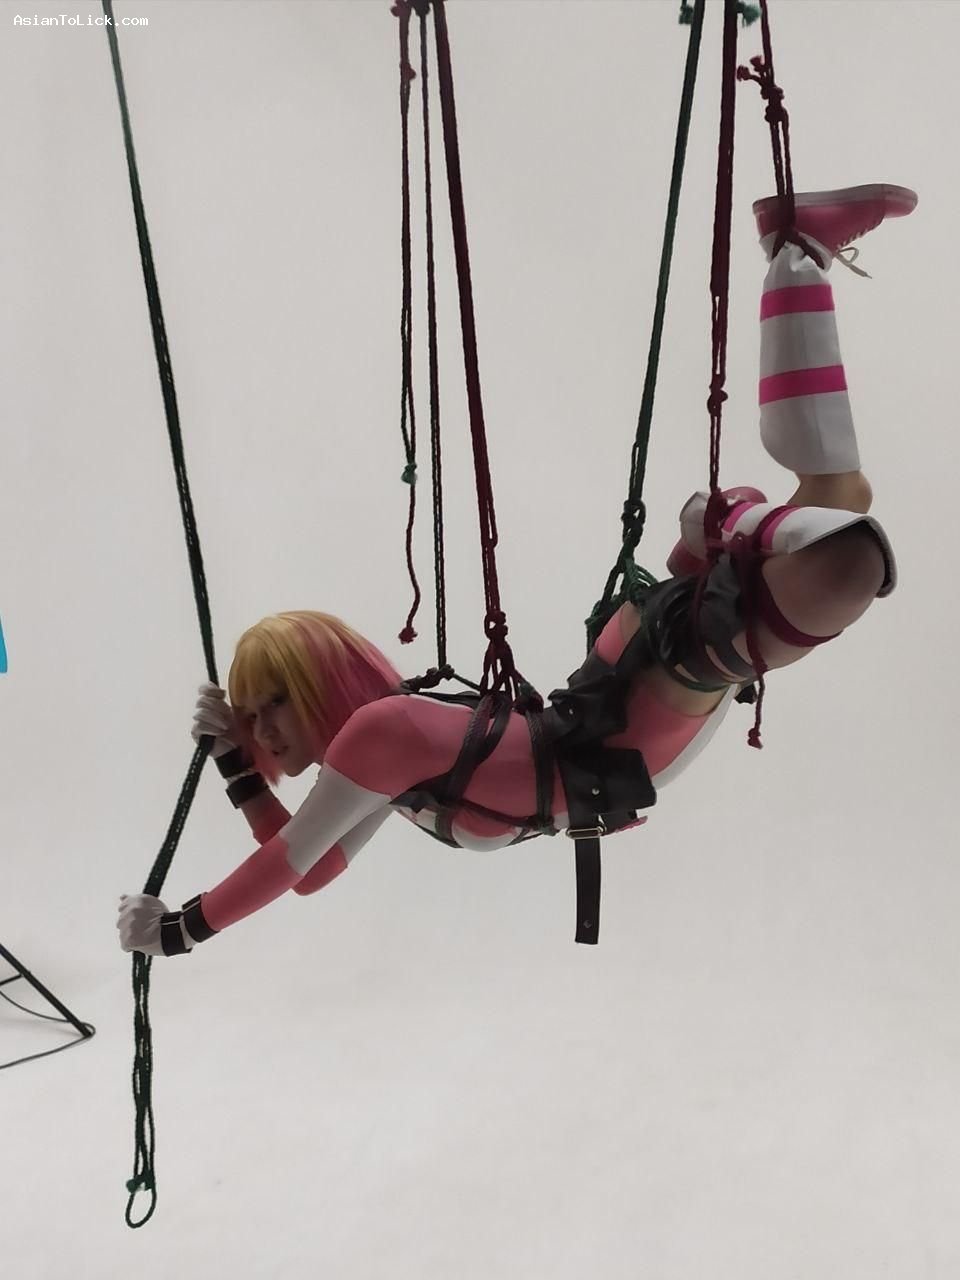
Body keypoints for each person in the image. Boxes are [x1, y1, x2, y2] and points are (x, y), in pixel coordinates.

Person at [118, 183, 913, 958]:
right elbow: (313, 867)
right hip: (627, 703)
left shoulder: (379, 735)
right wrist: (233, 763)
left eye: (273, 704)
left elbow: (288, 862)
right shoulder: (377, 759)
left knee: (847, 557)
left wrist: (179, 930)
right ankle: (796, 254)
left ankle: (729, 518)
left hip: (639, 700)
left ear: (321, 684)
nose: (262, 730)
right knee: (839, 495)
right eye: (253, 716)